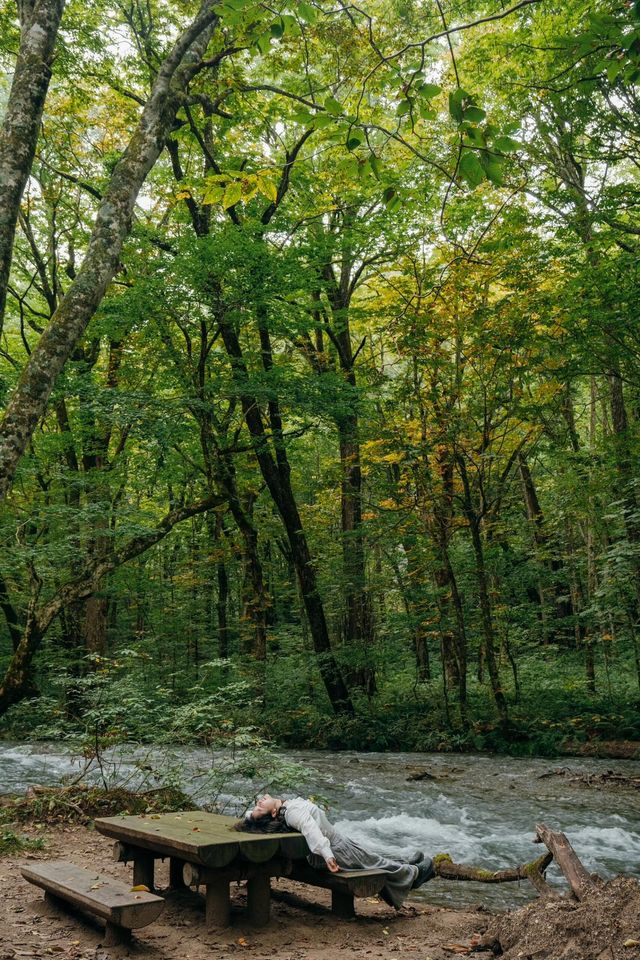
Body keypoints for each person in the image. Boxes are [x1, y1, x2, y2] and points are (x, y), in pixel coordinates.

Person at [234, 794, 435, 909]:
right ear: (274, 813)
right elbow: (310, 828)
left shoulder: (285, 809)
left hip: (336, 842)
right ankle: (414, 874)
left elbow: (250, 817)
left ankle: (406, 863)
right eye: (259, 807)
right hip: (334, 849)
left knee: (370, 856)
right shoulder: (292, 812)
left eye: (258, 804)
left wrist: (255, 815)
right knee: (373, 863)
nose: (258, 802)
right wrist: (327, 854)